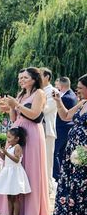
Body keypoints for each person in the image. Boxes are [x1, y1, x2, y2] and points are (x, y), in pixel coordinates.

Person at [0, 67, 50, 215]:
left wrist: (17, 105)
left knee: (30, 169)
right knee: (13, 168)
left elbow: (35, 114)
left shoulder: (39, 94)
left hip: (32, 132)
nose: (21, 80)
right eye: (20, 78)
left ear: (34, 79)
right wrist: (10, 107)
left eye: (25, 78)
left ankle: (30, 213)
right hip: (18, 129)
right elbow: (14, 118)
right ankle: (11, 212)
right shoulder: (20, 95)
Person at [52, 74, 87, 215]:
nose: (77, 91)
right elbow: (65, 116)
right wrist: (58, 101)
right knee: (77, 186)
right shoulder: (82, 103)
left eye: (80, 88)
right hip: (74, 151)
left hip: (84, 150)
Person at [0, 127, 31, 215]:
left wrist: (6, 153)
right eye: (7, 137)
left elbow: (17, 160)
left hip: (15, 173)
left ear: (17, 138)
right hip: (8, 172)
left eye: (10, 137)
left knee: (15, 196)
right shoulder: (9, 147)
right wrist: (0, 153)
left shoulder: (17, 147)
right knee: (9, 196)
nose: (8, 139)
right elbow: (5, 159)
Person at [54, 76, 78, 180]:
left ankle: (56, 175)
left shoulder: (65, 98)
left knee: (54, 152)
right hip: (67, 128)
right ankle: (62, 174)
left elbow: (62, 114)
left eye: (57, 84)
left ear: (61, 84)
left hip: (61, 128)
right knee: (62, 153)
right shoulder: (73, 95)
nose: (56, 86)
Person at [40, 67, 59, 195]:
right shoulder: (37, 91)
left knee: (47, 161)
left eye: (39, 75)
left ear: (47, 77)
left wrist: (33, 104)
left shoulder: (53, 92)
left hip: (47, 130)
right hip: (36, 130)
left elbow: (46, 109)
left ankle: (47, 188)